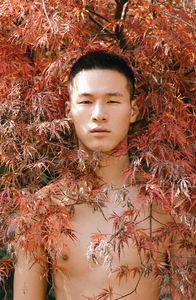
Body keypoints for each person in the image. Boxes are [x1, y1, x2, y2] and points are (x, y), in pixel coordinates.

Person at [13, 51, 175, 299]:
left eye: (112, 101)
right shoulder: (43, 208)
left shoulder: (167, 205)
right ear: (69, 110)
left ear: (133, 111)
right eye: (86, 101)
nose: (99, 114)